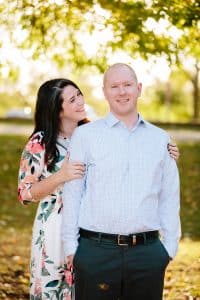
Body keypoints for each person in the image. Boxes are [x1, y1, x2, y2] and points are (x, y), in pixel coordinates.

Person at [62, 63, 181, 300]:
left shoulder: (160, 139)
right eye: (114, 86)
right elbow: (73, 193)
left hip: (147, 254)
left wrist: (168, 249)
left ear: (138, 89)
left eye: (127, 85)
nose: (121, 92)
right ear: (104, 91)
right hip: (95, 252)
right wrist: (71, 248)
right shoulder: (85, 136)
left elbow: (169, 196)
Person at [18, 79, 87, 299]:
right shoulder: (41, 142)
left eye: (79, 94)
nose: (80, 102)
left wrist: (166, 150)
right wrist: (61, 176)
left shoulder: (91, 135)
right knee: (51, 290)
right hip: (53, 231)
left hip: (89, 227)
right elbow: (25, 194)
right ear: (57, 110)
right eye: (72, 99)